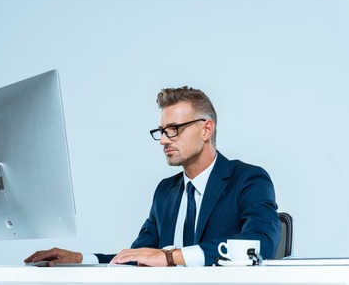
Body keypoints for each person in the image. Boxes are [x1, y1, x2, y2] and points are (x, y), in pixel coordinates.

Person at [24, 86, 281, 267]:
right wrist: (82, 259)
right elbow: (140, 255)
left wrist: (171, 257)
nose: (163, 140)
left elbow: (260, 244)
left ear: (206, 129)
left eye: (174, 130)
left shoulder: (248, 179)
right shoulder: (165, 191)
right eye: (161, 131)